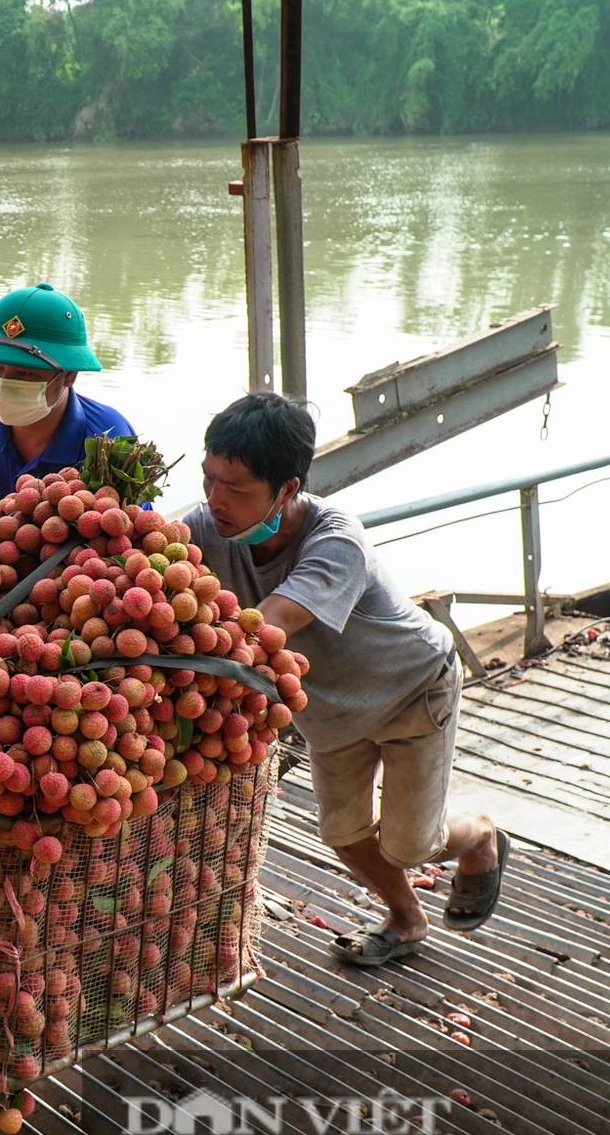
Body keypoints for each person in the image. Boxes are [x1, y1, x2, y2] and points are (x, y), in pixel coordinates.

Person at [183, 393, 508, 967]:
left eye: (236, 489)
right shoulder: (203, 525)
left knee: (411, 844)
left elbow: (272, 626)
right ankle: (407, 920)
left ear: (287, 489)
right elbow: (149, 560)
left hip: (411, 691)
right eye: (210, 480)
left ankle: (479, 836)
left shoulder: (336, 540)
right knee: (345, 832)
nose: (216, 501)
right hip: (331, 712)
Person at [0, 283, 134, 522]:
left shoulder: (109, 440)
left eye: (24, 373)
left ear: (69, 375)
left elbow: (129, 538)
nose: (4, 383)